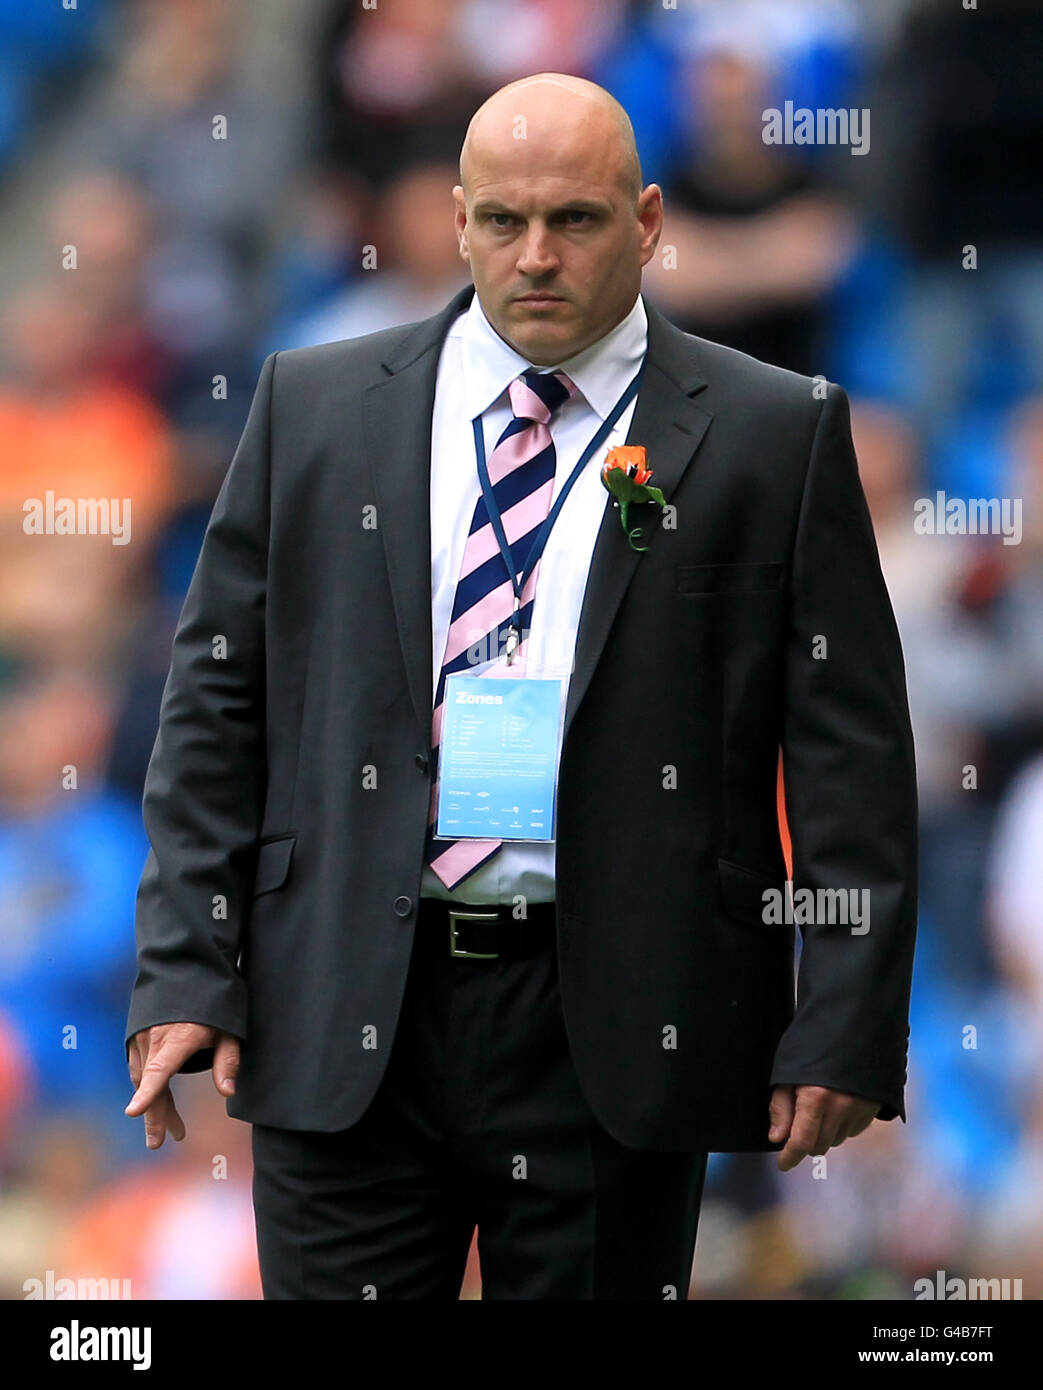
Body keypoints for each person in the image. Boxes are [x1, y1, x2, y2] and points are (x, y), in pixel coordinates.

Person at [124, 73, 918, 1301]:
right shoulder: (313, 407)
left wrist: (846, 1018)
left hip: (617, 1022)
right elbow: (212, 708)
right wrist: (186, 966)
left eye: (577, 221)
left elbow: (846, 758)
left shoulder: (774, 432)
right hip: (345, 1006)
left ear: (649, 222)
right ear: (454, 220)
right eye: (502, 220)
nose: (534, 255)